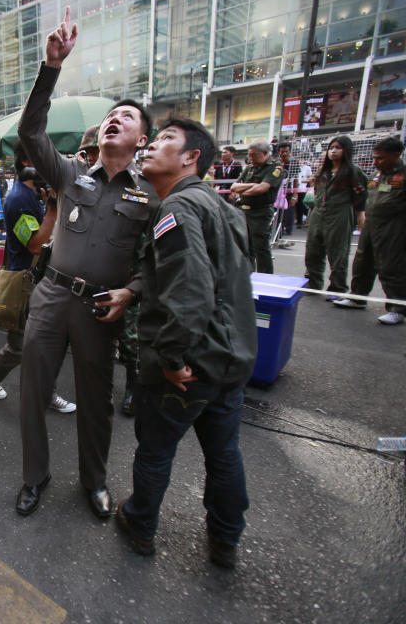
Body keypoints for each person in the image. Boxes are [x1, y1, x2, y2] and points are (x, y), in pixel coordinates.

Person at [13, 7, 158, 519]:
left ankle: (94, 482)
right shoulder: (72, 174)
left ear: (142, 139)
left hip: (101, 309)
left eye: (129, 116)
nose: (116, 117)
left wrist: (133, 292)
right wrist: (50, 68)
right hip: (50, 298)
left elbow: (156, 262)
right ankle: (34, 477)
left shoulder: (151, 196)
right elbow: (31, 134)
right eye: (112, 114)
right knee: (33, 392)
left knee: (97, 402)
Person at [114, 117, 256, 570]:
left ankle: (139, 525)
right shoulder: (222, 207)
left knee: (155, 450)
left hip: (188, 364)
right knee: (224, 454)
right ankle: (226, 541)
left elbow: (191, 290)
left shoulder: (176, 209)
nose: (153, 145)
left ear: (192, 157)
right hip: (229, 358)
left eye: (166, 140)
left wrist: (172, 358)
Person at [0, 140, 75, 413]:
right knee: (23, 345)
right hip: (27, 282)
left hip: (42, 277)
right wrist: (54, 207)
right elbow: (34, 244)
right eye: (45, 160)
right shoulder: (19, 198)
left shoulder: (34, 192)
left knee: (40, 342)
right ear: (27, 163)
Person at [334, 136, 406, 324]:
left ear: (396, 155)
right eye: (374, 157)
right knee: (362, 262)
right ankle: (358, 297)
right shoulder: (376, 175)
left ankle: (398, 308)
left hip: (394, 227)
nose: (376, 162)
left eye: (380, 158)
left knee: (392, 266)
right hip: (372, 225)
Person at [304, 136, 368, 298]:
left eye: (338, 148)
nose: (333, 151)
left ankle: (338, 287)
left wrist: (360, 218)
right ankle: (313, 283)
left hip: (339, 215)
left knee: (338, 252)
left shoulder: (353, 172)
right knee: (313, 251)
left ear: (346, 150)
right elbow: (318, 193)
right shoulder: (322, 171)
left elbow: (361, 196)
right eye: (331, 147)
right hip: (318, 214)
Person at [229, 142, 284, 273]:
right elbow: (233, 187)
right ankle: (248, 276)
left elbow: (262, 189)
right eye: (249, 155)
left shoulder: (275, 168)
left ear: (265, 153)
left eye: (254, 155)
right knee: (245, 246)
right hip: (243, 211)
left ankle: (266, 278)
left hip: (261, 212)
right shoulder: (250, 167)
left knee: (261, 248)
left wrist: (244, 189)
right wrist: (253, 185)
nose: (251, 158)